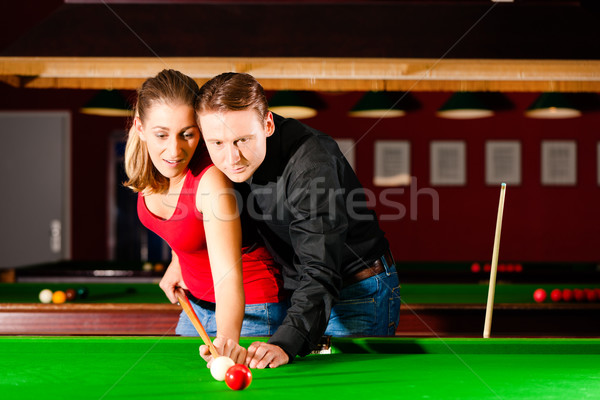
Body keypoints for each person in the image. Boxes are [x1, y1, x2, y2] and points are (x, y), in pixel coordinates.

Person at [196, 72, 400, 369]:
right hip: (298, 290)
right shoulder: (227, 159)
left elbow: (321, 268)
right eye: (217, 143)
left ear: (267, 124)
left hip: (358, 288)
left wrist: (286, 342)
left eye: (243, 140)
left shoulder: (311, 162)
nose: (232, 158)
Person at [123, 69, 288, 364]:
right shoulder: (148, 172)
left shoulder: (210, 181)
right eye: (161, 134)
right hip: (195, 305)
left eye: (187, 134)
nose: (174, 150)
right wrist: (177, 263)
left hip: (252, 307)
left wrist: (227, 341)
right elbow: (183, 228)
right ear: (140, 127)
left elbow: (227, 278)